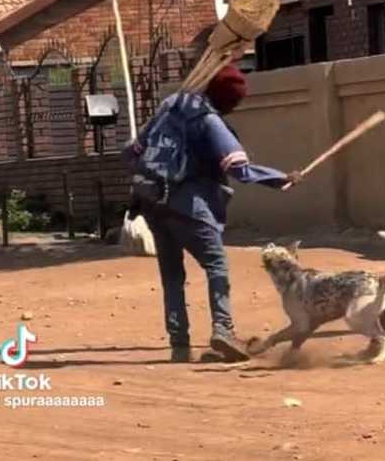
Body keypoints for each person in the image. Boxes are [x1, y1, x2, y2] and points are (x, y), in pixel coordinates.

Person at [128, 65, 301, 363]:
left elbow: (132, 151)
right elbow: (239, 169)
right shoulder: (209, 121)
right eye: (235, 102)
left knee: (172, 275)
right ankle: (223, 329)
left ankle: (179, 345)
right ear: (228, 101)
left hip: (152, 203)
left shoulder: (170, 107)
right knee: (216, 264)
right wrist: (282, 178)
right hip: (189, 207)